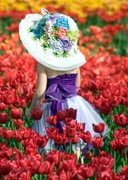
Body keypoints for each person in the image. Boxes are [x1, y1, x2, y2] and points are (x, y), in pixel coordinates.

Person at [19, 8, 108, 153]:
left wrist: (31, 110)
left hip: (52, 108)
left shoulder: (44, 63)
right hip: (75, 105)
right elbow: (77, 85)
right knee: (76, 142)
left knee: (52, 147)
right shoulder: (74, 59)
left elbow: (40, 91)